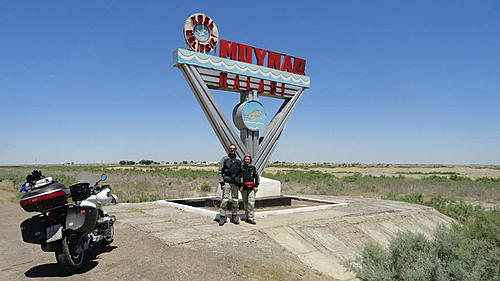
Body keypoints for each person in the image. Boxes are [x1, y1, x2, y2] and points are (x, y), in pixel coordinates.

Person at [217, 144, 242, 226]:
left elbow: (240, 173)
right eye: (230, 148)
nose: (232, 150)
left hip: (235, 183)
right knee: (225, 200)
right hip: (227, 182)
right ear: (228, 149)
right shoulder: (224, 159)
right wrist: (222, 183)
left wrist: (240, 184)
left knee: (235, 200)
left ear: (236, 149)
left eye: (233, 148)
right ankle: (222, 217)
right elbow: (220, 171)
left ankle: (234, 216)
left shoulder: (238, 160)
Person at [239, 155, 260, 224]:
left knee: (251, 203)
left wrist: (256, 186)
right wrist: (240, 186)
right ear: (244, 160)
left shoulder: (253, 167)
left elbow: (256, 177)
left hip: (251, 188)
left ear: (250, 160)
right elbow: (239, 177)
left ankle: (251, 218)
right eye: (246, 159)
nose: (247, 160)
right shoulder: (241, 168)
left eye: (248, 159)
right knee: (245, 203)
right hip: (244, 188)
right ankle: (247, 217)